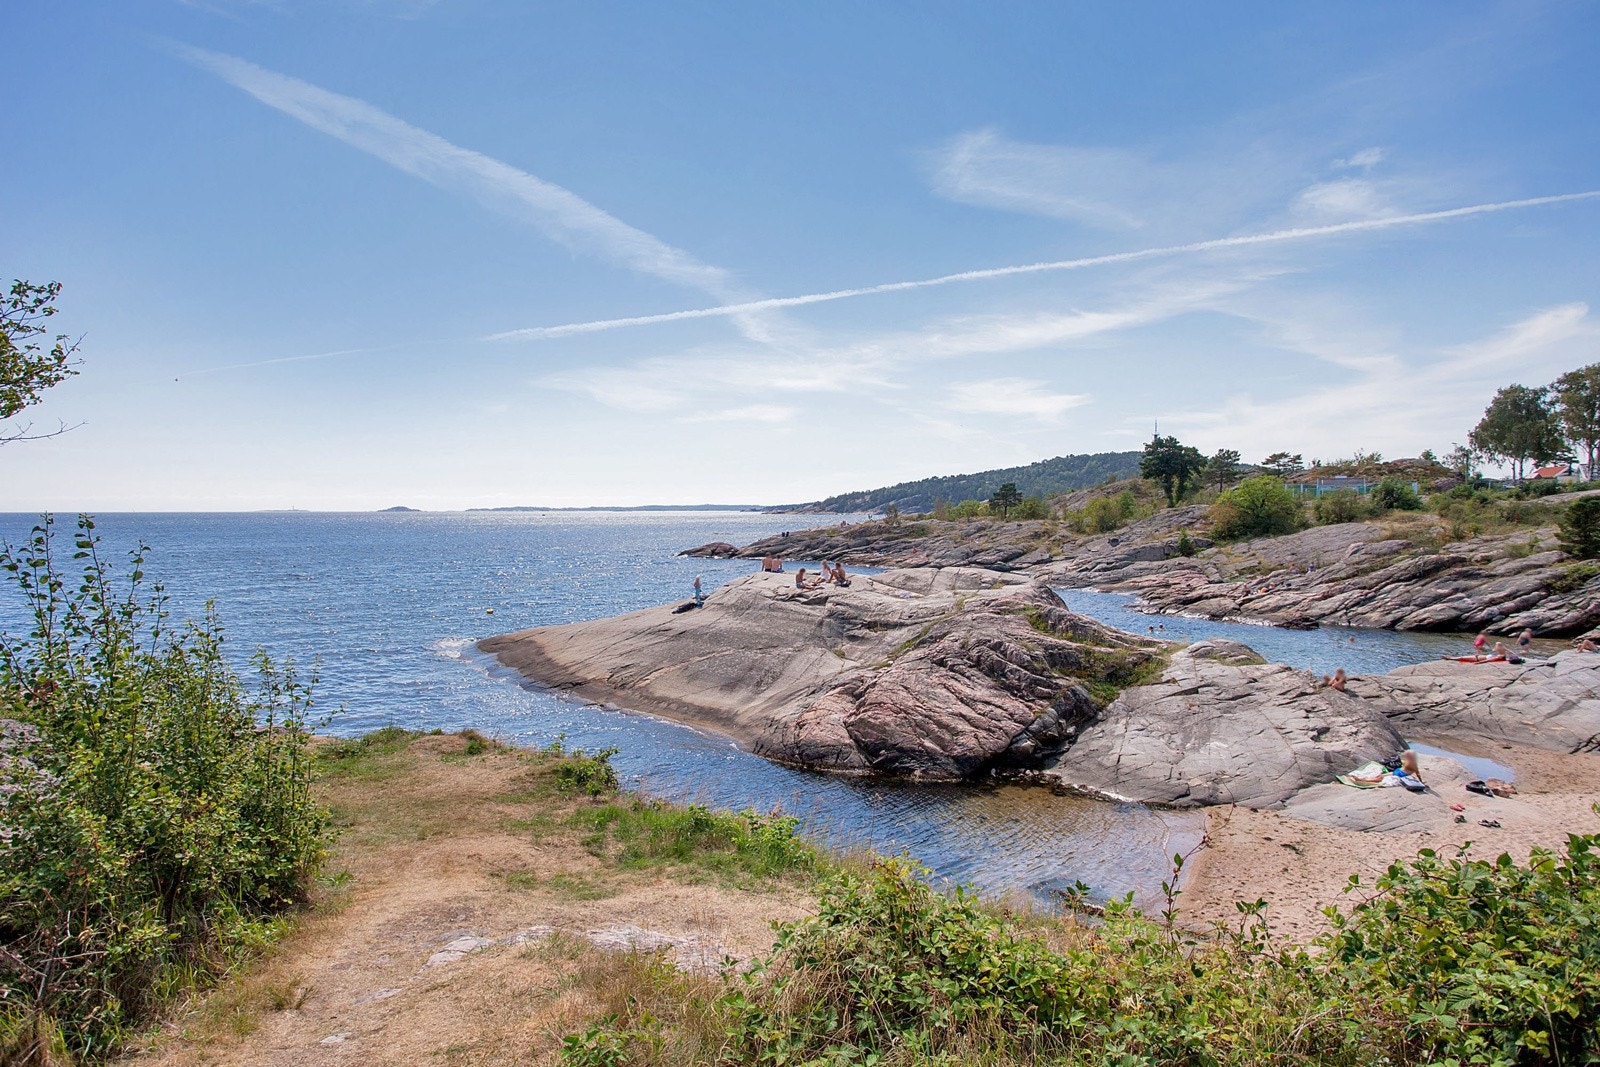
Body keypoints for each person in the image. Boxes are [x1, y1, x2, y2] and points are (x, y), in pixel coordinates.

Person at [1351, 750, 1424, 789]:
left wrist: (1421, 782)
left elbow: (1417, 774)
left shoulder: (1413, 764)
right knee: (1380, 776)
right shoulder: (1409, 762)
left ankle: (1362, 780)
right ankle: (1363, 779)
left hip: (1400, 774)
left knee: (1380, 777)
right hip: (1398, 771)